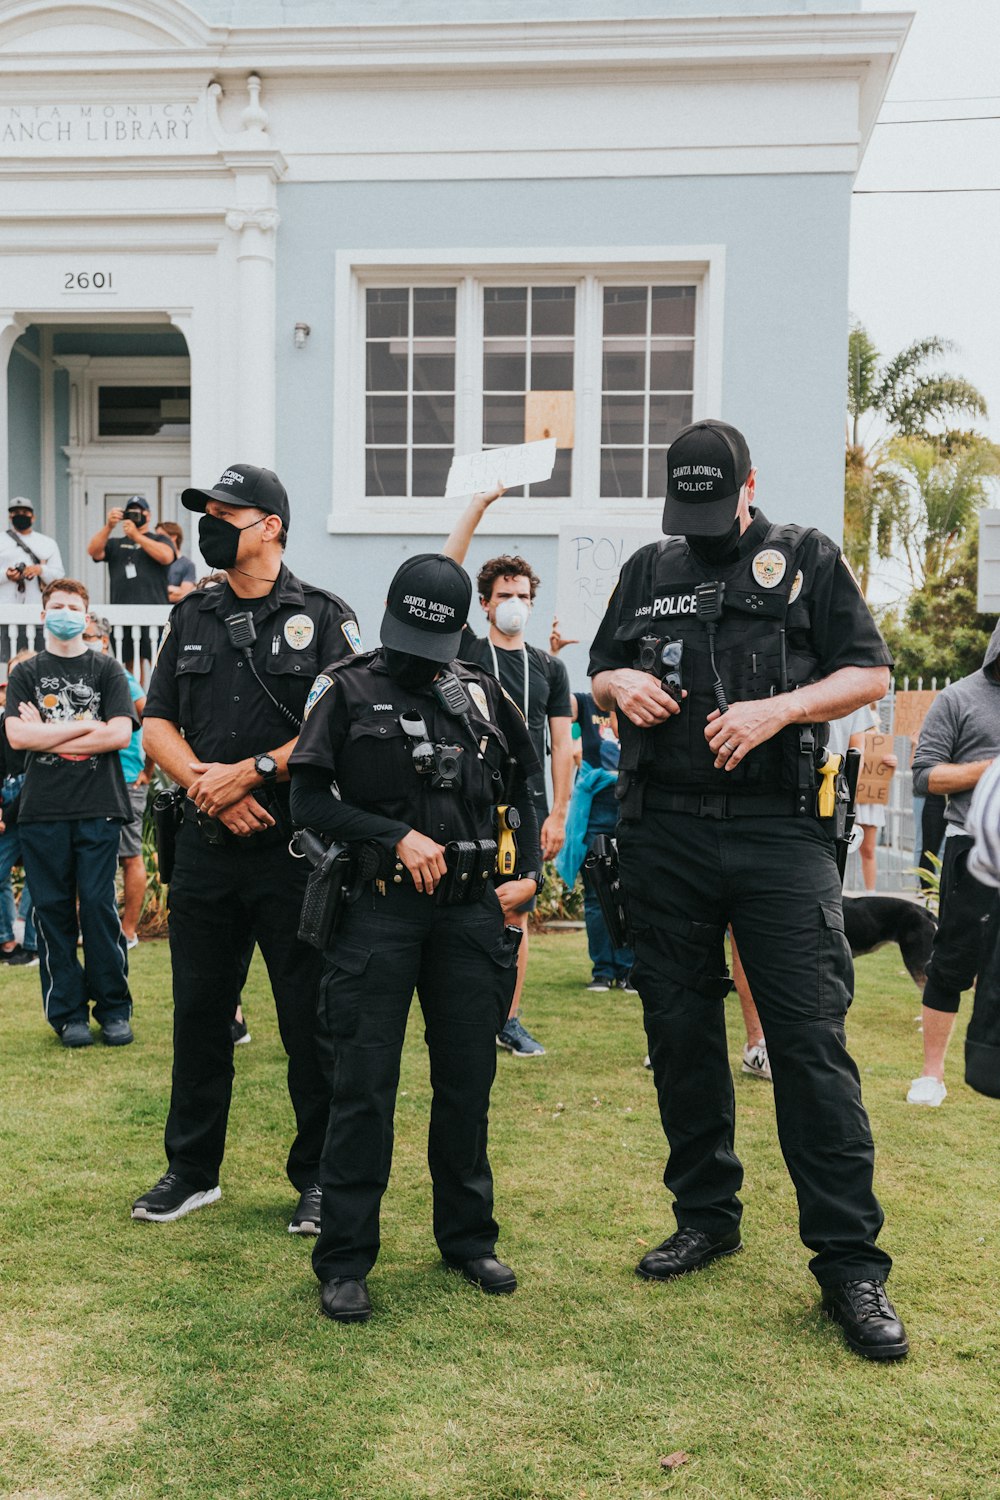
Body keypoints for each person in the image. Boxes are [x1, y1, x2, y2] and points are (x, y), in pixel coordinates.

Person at [589, 417, 908, 1362]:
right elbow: (602, 661)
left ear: (749, 483)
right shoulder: (651, 566)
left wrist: (780, 708)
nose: (700, 522)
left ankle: (850, 1264)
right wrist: (617, 686)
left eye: (714, 501)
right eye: (684, 506)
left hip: (777, 833)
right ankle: (706, 1215)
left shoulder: (806, 557)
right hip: (667, 831)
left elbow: (870, 671)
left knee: (809, 1044)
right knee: (679, 1032)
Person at [288, 552, 541, 1323]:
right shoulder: (346, 686)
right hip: (378, 910)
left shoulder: (483, 693)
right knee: (362, 1086)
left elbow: (525, 789)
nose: (417, 659)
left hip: (468, 914)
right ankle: (345, 1259)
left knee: (467, 1081)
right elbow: (306, 799)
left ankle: (467, 1239)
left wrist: (527, 873)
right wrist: (394, 835)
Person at [130, 462, 362, 1234]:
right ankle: (191, 1171)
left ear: (271, 526)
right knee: (200, 1015)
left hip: (295, 856)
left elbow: (344, 725)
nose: (210, 523)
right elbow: (156, 721)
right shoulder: (191, 615)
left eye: (226, 513)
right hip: (205, 848)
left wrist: (255, 771)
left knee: (309, 1020)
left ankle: (320, 1179)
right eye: (208, 512)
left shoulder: (326, 616)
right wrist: (207, 785)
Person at [444, 489, 572, 1058]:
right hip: (466, 800)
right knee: (459, 895)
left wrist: (561, 813)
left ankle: (508, 1017)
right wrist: (477, 509)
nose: (514, 603)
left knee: (517, 906)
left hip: (528, 803)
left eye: (522, 595)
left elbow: (563, 745)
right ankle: (453, 1006)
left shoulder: (551, 668)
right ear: (484, 604)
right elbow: (444, 573)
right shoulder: (466, 651)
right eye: (504, 595)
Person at [3, 579, 137, 1047]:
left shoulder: (107, 670)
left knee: (99, 908)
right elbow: (19, 738)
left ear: (85, 615)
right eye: (56, 605)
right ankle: (68, 1014)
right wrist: (87, 726)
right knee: (52, 912)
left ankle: (114, 1008)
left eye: (73, 606)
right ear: (44, 615)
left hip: (99, 806)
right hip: (42, 811)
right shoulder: (26, 672)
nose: (64, 612)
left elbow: (119, 734)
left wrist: (49, 729)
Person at [908, 629, 1000, 1106]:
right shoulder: (959, 697)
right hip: (974, 849)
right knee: (953, 961)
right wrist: (993, 769)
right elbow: (924, 775)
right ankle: (931, 1075)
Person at [556, 692, 635, 991]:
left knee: (628, 891)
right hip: (595, 810)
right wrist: (553, 656)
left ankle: (628, 969)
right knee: (596, 895)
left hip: (628, 804)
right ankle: (602, 970)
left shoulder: (633, 703)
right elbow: (554, 701)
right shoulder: (585, 703)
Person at [85, 615, 149, 948]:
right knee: (93, 856)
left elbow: (150, 716)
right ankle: (98, 928)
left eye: (89, 635)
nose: (84, 640)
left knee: (129, 855)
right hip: (89, 778)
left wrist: (147, 771)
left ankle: (128, 931)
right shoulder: (80, 675)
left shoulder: (121, 676)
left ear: (105, 640)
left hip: (125, 779)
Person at [87, 497, 174, 671]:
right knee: (130, 664)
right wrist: (109, 526)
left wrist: (136, 536)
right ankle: (135, 698)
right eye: (131, 512)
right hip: (122, 613)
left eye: (139, 511)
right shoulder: (115, 543)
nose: (135, 515)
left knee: (158, 663)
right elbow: (94, 551)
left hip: (153, 614)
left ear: (148, 515)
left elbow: (166, 557)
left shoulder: (159, 539)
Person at [0, 650, 39, 969]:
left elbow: (37, 772)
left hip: (35, 798)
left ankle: (33, 943)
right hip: (8, 797)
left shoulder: (42, 720)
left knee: (40, 873)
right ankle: (7, 941)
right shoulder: (3, 719)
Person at [1, 499, 65, 654]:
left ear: (33, 517)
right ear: (10, 517)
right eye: (16, 513)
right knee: (6, 660)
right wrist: (6, 575)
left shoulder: (47, 543)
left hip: (36, 610)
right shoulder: (1, 540)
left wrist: (40, 570)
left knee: (37, 656)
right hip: (5, 610)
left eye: (25, 512)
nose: (20, 515)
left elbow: (58, 576)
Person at [158, 520, 198, 604]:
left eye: (161, 536)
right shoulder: (154, 562)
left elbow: (183, 594)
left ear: (173, 537)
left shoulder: (187, 565)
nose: (157, 540)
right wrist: (171, 589)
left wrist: (159, 594)